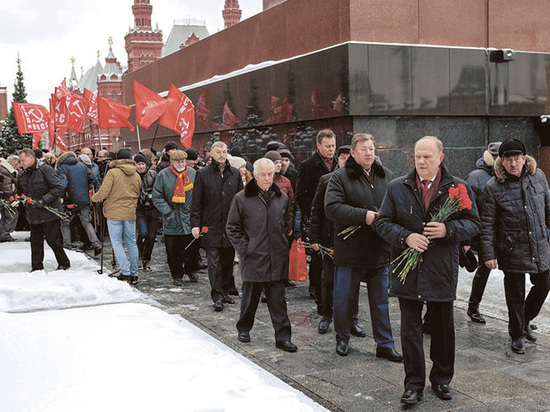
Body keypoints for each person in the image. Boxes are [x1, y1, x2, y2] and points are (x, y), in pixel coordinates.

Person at [375, 136, 480, 405]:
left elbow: (474, 224)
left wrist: (449, 230)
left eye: (427, 157)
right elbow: (383, 222)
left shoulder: (459, 187)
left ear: (440, 158)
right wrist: (405, 237)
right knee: (410, 331)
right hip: (407, 273)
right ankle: (413, 385)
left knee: (443, 330)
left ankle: (442, 380)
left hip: (440, 270)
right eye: (418, 156)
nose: (421, 161)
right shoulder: (398, 187)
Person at [325, 134, 401, 361]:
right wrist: (364, 216)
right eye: (364, 149)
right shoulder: (340, 177)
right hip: (351, 251)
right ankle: (342, 337)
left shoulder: (386, 175)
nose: (369, 153)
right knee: (344, 299)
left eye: (372, 148)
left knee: (381, 301)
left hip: (379, 250)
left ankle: (385, 344)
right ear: (354, 153)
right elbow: (332, 208)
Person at [480, 138, 550, 355]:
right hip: (510, 247)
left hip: (538, 243)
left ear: (524, 158)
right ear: (501, 160)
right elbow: (487, 224)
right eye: (508, 159)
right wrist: (489, 254)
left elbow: (548, 207)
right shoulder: (493, 187)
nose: (513, 164)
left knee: (544, 284)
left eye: (517, 159)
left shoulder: (538, 177)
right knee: (515, 294)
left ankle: (525, 319)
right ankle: (517, 334)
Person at [226, 158, 297, 353]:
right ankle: (244, 328)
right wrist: (245, 249)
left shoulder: (281, 197)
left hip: (276, 256)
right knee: (250, 298)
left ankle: (283, 338)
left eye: (270, 174)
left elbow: (284, 223)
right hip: (254, 257)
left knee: (278, 300)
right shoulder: (241, 198)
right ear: (255, 175)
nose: (267, 178)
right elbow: (232, 228)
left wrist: (283, 242)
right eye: (263, 175)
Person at [191, 141, 244, 312]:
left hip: (230, 226)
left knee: (227, 261)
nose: (221, 154)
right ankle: (217, 296)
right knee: (213, 262)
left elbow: (241, 201)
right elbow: (197, 202)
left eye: (224, 151)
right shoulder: (203, 174)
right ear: (211, 154)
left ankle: (226, 291)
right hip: (211, 225)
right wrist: (195, 225)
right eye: (218, 151)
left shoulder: (234, 174)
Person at [309, 144, 350, 334]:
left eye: (349, 157)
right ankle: (326, 314)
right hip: (328, 240)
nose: (345, 161)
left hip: (351, 242)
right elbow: (316, 210)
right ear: (337, 160)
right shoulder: (326, 180)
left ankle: (351, 318)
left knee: (350, 282)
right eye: (342, 158)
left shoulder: (359, 181)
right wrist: (314, 237)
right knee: (327, 280)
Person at [296, 129, 337, 303]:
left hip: (336, 217)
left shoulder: (339, 164)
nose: (331, 149)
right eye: (327, 146)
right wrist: (312, 214)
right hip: (317, 218)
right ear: (318, 145)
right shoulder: (308, 165)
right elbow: (301, 195)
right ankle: (315, 285)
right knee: (318, 255)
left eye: (333, 145)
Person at [464, 141, 501, 324]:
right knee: (484, 269)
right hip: (481, 232)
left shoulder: (506, 176)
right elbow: (467, 208)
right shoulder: (476, 177)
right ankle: (473, 306)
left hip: (501, 233)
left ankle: (519, 316)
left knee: (512, 274)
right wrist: (468, 238)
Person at [91, 148, 141, 285]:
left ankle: (125, 271)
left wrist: (94, 199)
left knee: (117, 242)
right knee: (131, 241)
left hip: (114, 212)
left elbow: (104, 192)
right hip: (130, 212)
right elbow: (138, 193)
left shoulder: (113, 172)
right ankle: (134, 273)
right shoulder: (136, 174)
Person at [16, 148, 71, 272]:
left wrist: (44, 200)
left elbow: (57, 187)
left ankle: (64, 263)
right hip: (33, 214)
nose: (21, 163)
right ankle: (36, 267)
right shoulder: (22, 175)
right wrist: (16, 199)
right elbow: (20, 192)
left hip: (49, 212)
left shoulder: (45, 169)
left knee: (53, 241)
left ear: (31, 158)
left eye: (23, 160)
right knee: (35, 242)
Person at [152, 150, 198, 285]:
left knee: (193, 248)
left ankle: (191, 270)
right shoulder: (163, 175)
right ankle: (177, 275)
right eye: (178, 161)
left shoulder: (193, 174)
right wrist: (168, 212)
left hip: (190, 217)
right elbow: (157, 196)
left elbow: (199, 194)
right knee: (173, 251)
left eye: (183, 161)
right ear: (172, 162)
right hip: (171, 217)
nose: (181, 164)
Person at [55, 151, 102, 255]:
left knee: (65, 223)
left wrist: (59, 196)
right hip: (84, 199)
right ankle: (96, 243)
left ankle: (67, 246)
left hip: (70, 200)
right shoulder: (82, 165)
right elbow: (93, 179)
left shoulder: (62, 167)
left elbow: (63, 184)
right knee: (86, 222)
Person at [134, 153, 159, 271]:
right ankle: (140, 256)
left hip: (153, 208)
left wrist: (150, 194)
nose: (141, 166)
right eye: (138, 164)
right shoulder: (133, 176)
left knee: (152, 236)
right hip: (140, 209)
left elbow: (158, 188)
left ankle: (147, 258)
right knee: (143, 233)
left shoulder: (153, 174)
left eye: (142, 163)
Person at [0, 155, 19, 242]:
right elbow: (7, 185)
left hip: (4, 195)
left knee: (5, 215)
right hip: (7, 195)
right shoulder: (7, 171)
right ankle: (5, 234)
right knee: (12, 214)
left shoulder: (4, 168)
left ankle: (2, 233)